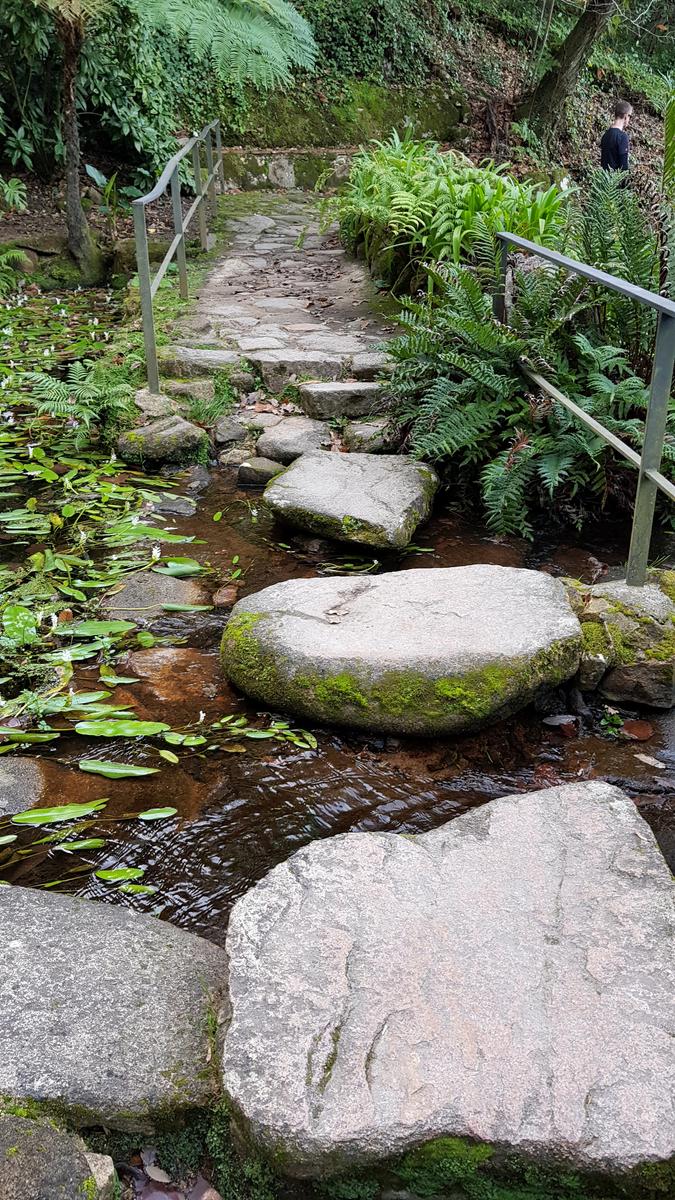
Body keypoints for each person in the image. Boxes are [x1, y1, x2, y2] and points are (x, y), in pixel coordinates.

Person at [600, 100, 633, 172]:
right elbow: (623, 167)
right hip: (615, 181)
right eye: (630, 116)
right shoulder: (622, 137)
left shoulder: (605, 135)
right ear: (626, 116)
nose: (629, 119)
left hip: (604, 179)